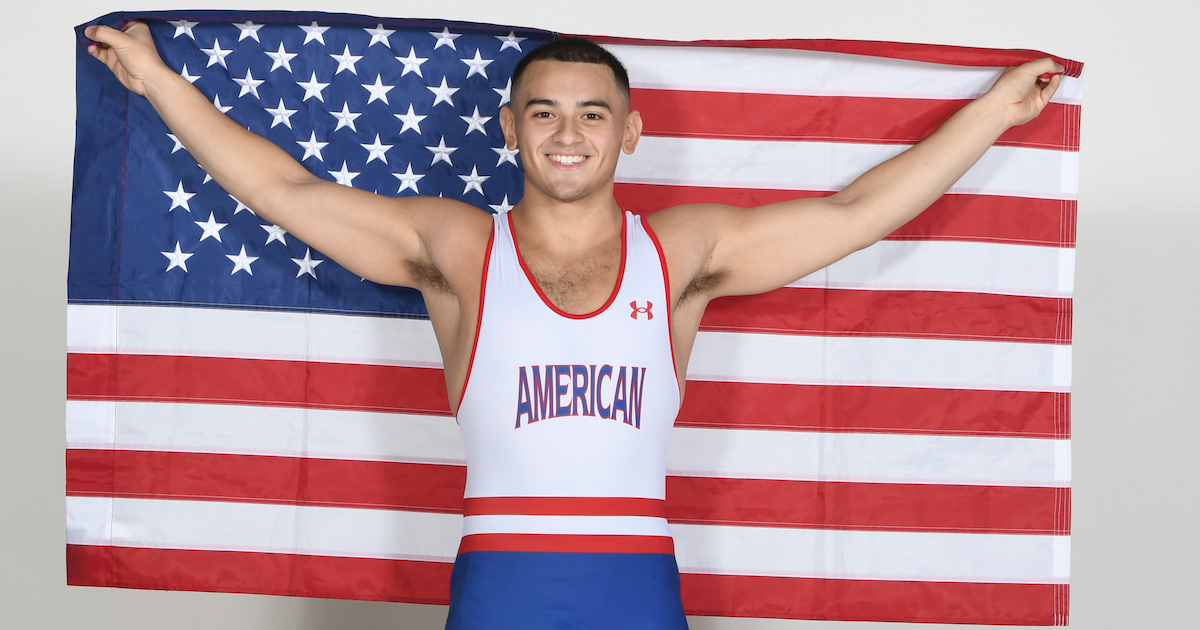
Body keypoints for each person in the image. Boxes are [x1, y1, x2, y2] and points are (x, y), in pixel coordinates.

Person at [85, 21, 1062, 630]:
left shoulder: (682, 251)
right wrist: (160, 84)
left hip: (635, 583)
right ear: (508, 130)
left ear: (630, 134)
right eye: (543, 113)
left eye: (593, 115)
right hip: (502, 582)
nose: (567, 134)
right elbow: (288, 189)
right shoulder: (458, 248)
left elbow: (854, 216)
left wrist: (993, 117)